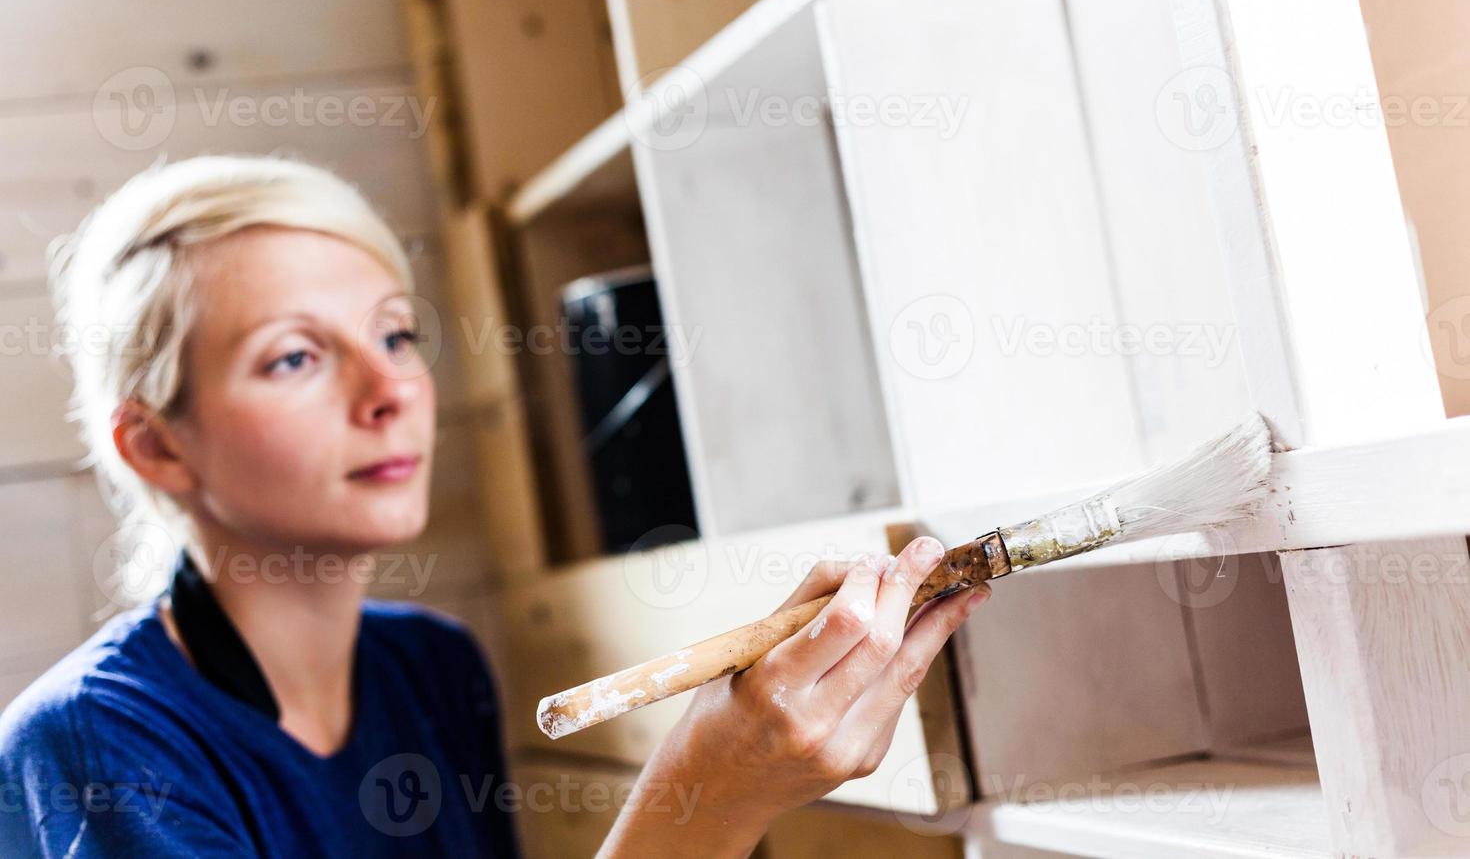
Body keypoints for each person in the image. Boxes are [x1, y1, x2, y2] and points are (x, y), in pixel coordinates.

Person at [0, 154, 991, 857]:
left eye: (394, 334)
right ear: (156, 442)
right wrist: (710, 795)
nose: (387, 390)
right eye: (295, 355)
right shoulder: (95, 747)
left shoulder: (430, 669)